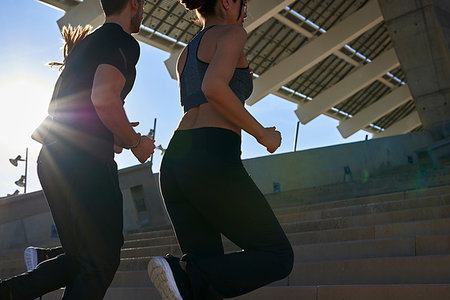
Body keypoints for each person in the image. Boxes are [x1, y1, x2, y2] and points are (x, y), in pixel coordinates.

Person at [0, 0, 155, 299]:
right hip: (84, 162)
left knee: (82, 258)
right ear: (134, 4)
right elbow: (104, 99)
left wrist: (121, 133)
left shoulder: (87, 45)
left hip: (55, 158)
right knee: (102, 260)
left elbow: (85, 111)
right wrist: (136, 142)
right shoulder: (122, 40)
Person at [148, 0, 294, 299]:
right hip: (211, 154)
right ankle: (182, 271)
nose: (246, 8)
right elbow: (213, 88)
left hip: (175, 162)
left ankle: (188, 274)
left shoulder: (186, 53)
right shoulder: (232, 34)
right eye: (244, 2)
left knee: (204, 286)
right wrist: (263, 134)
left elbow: (197, 101)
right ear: (227, 2)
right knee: (277, 256)